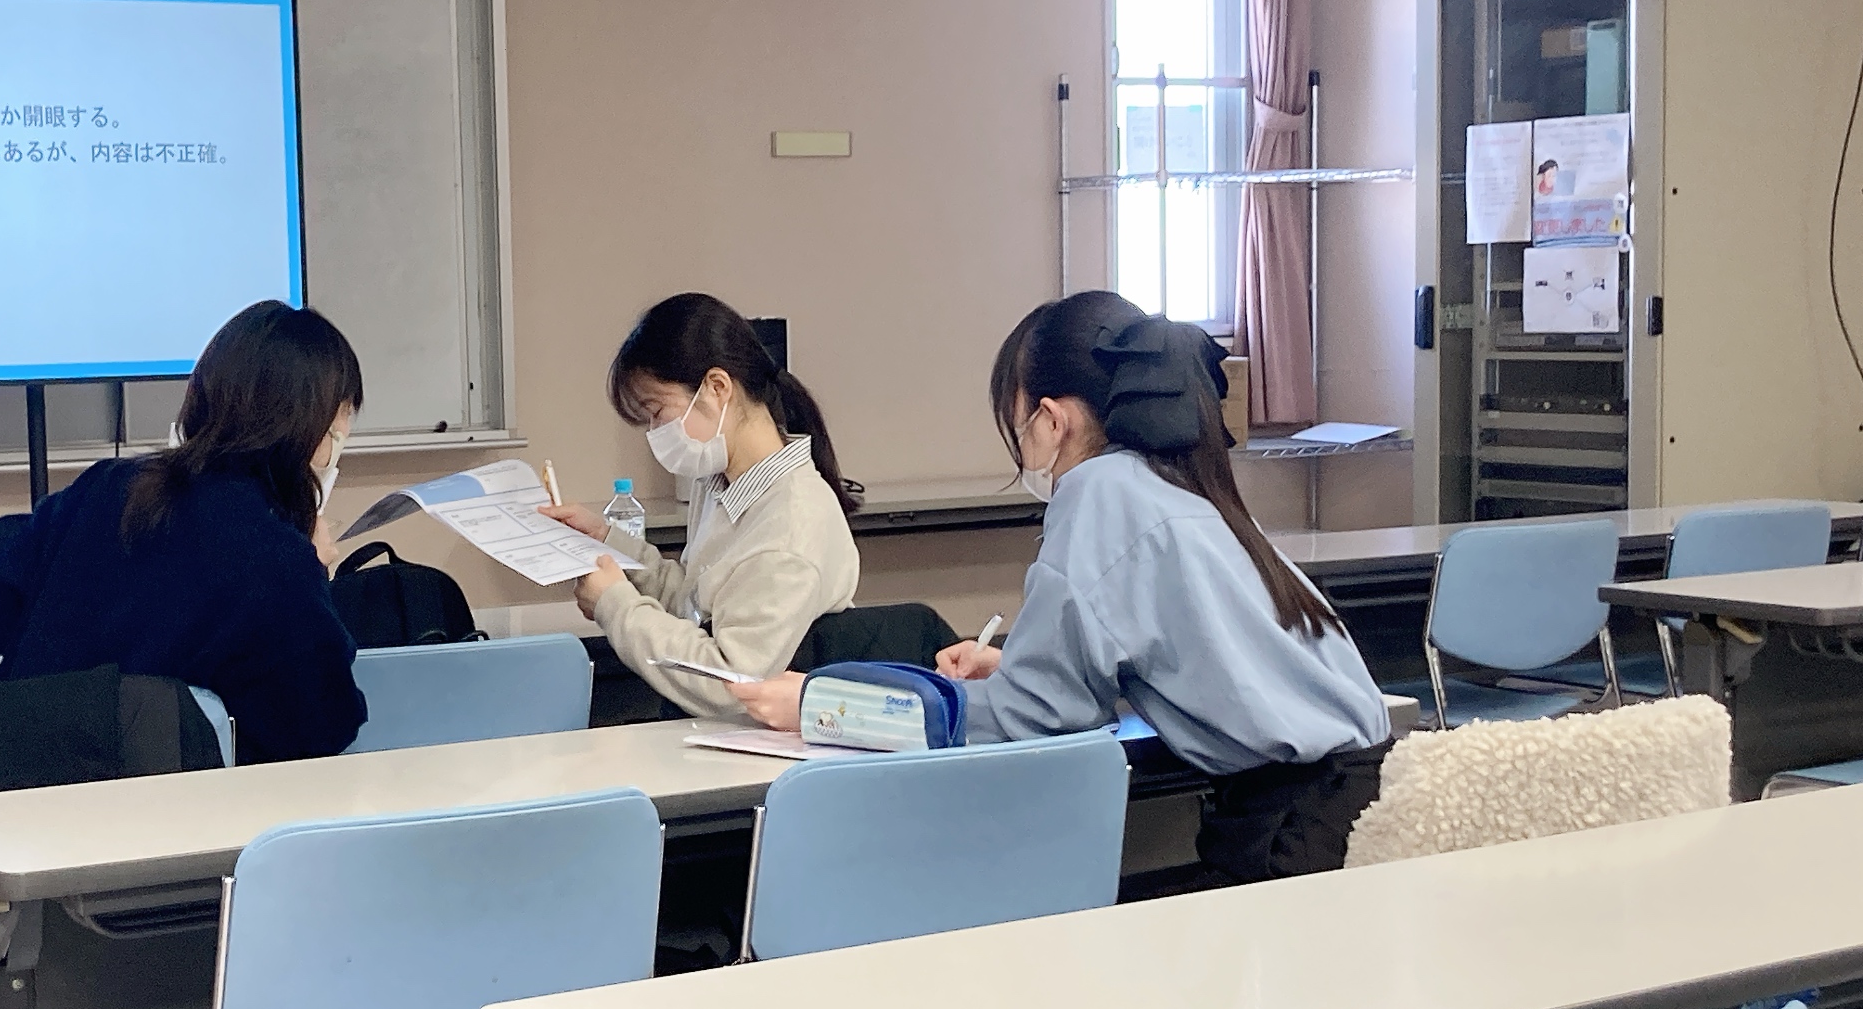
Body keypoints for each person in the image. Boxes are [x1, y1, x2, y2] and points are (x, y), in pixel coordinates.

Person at [730, 291, 1391, 886]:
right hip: (1349, 791)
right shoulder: (1176, 482)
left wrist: (826, 706)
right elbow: (1158, 655)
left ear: (1051, 419)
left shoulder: (1099, 490)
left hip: (1292, 824)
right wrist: (1018, 663)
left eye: (1017, 424)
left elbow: (1032, 718)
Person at [0, 299, 369, 763]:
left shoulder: (109, 486)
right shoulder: (276, 556)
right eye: (336, 433)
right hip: (166, 803)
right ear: (308, 432)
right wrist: (314, 574)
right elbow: (323, 726)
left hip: (13, 783)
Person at [540, 293, 860, 720]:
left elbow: (731, 682)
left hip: (753, 739)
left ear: (717, 387)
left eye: (657, 412)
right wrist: (608, 543)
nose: (654, 431)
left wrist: (615, 603)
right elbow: (695, 604)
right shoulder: (724, 483)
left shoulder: (790, 525)